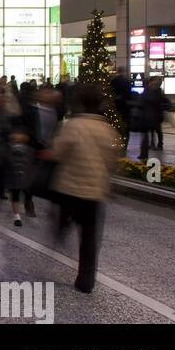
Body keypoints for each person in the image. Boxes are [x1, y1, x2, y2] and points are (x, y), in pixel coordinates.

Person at [47, 84, 119, 293]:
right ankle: (86, 279)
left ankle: (61, 228)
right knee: (89, 236)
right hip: (95, 191)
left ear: (80, 103)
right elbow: (112, 160)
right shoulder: (107, 128)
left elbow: (59, 153)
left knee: (64, 215)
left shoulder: (73, 125)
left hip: (70, 186)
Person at [6, 129, 36, 226]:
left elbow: (6, 162)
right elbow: (34, 164)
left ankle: (17, 217)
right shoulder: (31, 150)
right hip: (26, 178)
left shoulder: (9, 149)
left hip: (14, 178)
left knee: (15, 196)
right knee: (27, 193)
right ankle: (29, 206)